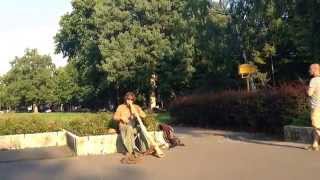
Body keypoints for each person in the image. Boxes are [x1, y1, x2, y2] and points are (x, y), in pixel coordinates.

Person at [113, 92, 152, 162]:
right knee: (129, 128)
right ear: (125, 99)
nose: (129, 101)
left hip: (133, 127)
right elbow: (115, 117)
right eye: (128, 99)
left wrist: (137, 113)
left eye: (131, 99)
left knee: (142, 128)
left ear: (133, 100)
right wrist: (121, 118)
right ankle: (130, 151)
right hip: (123, 127)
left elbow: (144, 115)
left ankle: (144, 149)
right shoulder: (121, 107)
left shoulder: (136, 107)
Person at [307, 64, 320, 151]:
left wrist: (307, 90)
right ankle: (315, 145)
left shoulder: (314, 80)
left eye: (310, 69)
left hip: (316, 107)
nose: (309, 71)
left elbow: (309, 93)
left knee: (316, 126)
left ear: (315, 70)